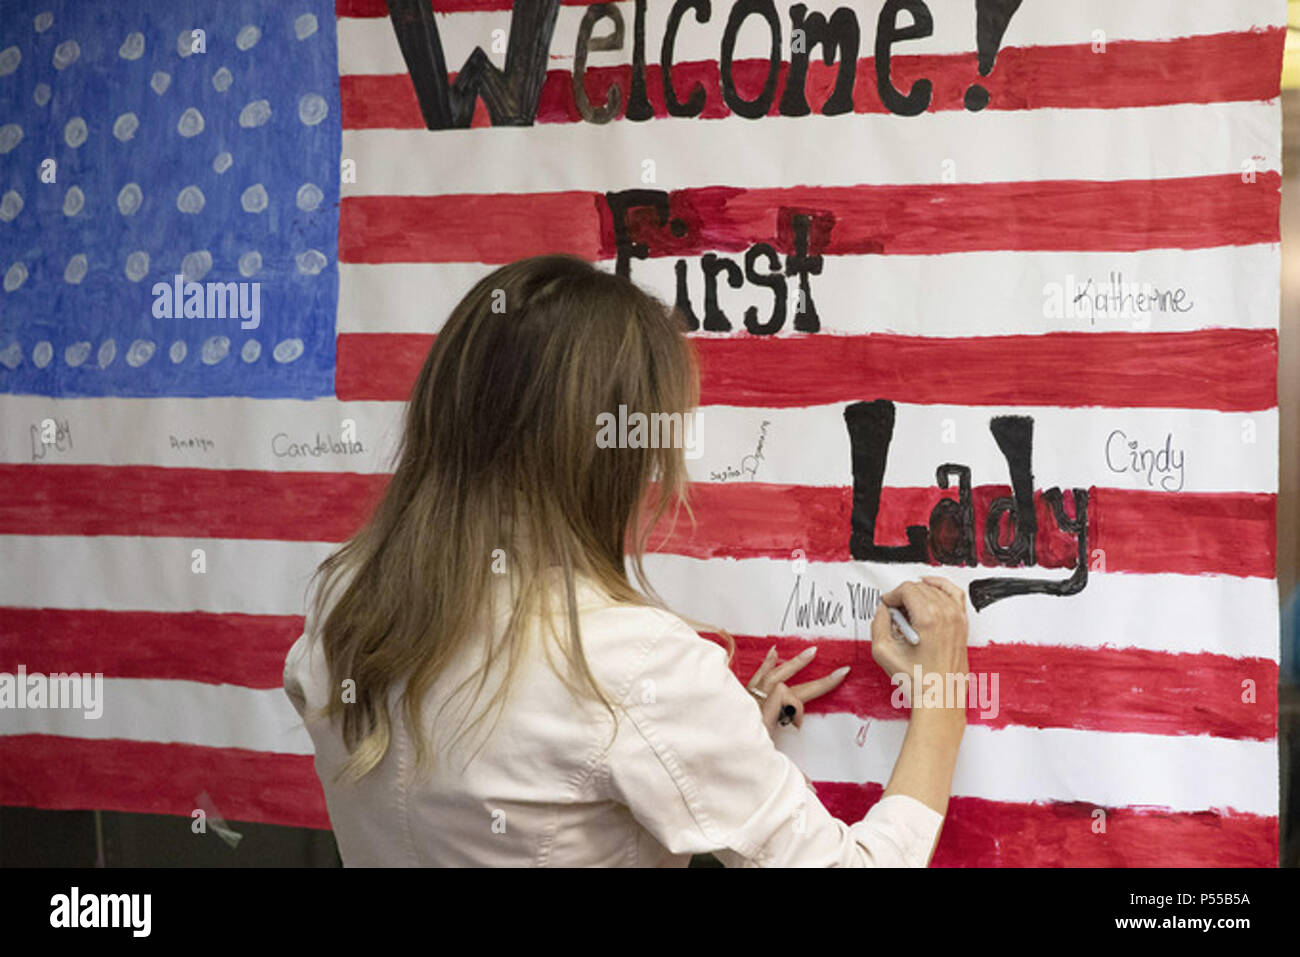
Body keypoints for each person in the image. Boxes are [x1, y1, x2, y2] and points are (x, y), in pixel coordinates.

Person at [283, 253, 969, 867]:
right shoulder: (631, 661)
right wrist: (941, 698)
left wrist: (698, 742)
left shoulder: (345, 602)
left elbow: (520, 775)